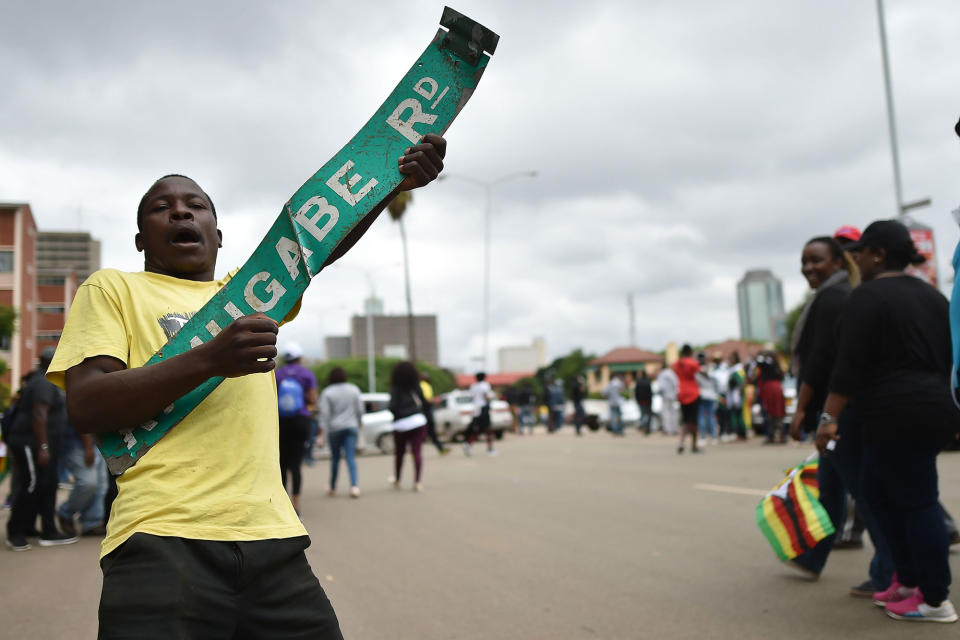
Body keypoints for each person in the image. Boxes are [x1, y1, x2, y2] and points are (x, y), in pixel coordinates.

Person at [45, 133, 447, 637]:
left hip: (275, 542)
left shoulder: (249, 293)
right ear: (140, 240)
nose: (180, 213)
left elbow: (315, 245)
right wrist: (210, 358)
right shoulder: (113, 288)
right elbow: (86, 404)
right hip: (158, 541)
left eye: (196, 206)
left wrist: (392, 187)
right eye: (160, 208)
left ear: (218, 234)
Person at [817, 219, 959, 623]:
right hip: (932, 407)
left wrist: (829, 418)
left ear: (878, 255)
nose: (856, 258)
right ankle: (908, 580)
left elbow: (848, 366)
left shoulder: (867, 297)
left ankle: (934, 599)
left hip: (898, 411)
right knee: (879, 493)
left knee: (916, 500)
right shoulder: (934, 297)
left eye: (861, 251)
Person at [785, 235, 892, 592]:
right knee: (831, 488)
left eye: (816, 260)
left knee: (866, 494)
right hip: (841, 409)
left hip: (839, 410)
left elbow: (820, 361)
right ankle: (812, 558)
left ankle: (890, 572)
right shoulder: (840, 294)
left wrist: (802, 408)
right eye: (804, 261)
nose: (808, 268)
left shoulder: (833, 298)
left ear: (836, 262)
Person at [5, 348, 77, 550]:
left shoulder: (48, 382)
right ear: (49, 361)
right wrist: (44, 447)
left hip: (44, 445)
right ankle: (15, 532)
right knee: (30, 485)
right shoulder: (43, 382)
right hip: (31, 444)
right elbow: (39, 414)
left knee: (48, 486)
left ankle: (47, 530)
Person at [275, 341, 318, 515]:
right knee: (296, 465)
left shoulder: (277, 375)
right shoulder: (307, 374)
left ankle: (282, 507)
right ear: (299, 357)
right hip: (301, 421)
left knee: (282, 465)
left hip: (281, 422)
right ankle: (296, 507)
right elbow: (313, 399)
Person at [57, 420, 109, 537]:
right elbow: (81, 419)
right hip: (79, 444)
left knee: (101, 486)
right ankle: (65, 512)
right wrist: (88, 447)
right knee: (87, 483)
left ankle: (91, 523)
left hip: (98, 443)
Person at [318, 367, 363, 498]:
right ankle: (354, 487)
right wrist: (359, 422)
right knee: (350, 457)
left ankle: (332, 487)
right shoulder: (354, 389)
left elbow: (324, 415)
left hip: (335, 428)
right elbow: (360, 409)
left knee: (335, 459)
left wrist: (321, 433)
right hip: (352, 426)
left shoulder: (327, 392)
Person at [389, 361, 428, 491]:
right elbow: (424, 403)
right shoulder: (416, 387)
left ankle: (398, 479)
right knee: (416, 452)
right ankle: (417, 482)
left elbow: (392, 406)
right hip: (418, 421)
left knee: (400, 453)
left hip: (400, 424)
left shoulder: (395, 388)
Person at [674, 345, 701, 453]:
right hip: (693, 393)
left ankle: (682, 442)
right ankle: (694, 445)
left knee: (685, 420)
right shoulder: (693, 362)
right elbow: (700, 374)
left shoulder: (677, 364)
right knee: (693, 421)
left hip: (681, 392)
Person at [755, 352, 786, 444]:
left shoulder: (765, 363)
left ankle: (772, 435)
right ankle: (780, 435)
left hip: (770, 388)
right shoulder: (778, 365)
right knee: (778, 412)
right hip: (778, 388)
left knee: (771, 413)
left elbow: (757, 363)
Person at [465, 372, 496, 455]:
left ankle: (468, 444)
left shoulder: (473, 386)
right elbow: (486, 396)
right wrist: (491, 398)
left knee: (477, 429)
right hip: (483, 409)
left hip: (476, 409)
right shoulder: (485, 385)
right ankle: (490, 449)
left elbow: (471, 397)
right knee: (488, 429)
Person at [420, 372, 447, 455]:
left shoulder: (419, 385)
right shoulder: (426, 386)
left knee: (426, 433)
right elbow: (428, 399)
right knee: (427, 433)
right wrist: (435, 401)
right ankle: (415, 451)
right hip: (426, 412)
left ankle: (441, 449)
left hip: (421, 412)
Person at [695, 353, 719, 444]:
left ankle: (703, 437)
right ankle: (713, 437)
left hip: (702, 395)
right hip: (711, 395)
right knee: (711, 416)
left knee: (701, 416)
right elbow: (716, 384)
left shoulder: (697, 371)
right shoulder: (711, 369)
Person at [726, 353, 747, 441]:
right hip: (733, 395)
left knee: (738, 415)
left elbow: (741, 382)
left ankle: (741, 433)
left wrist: (739, 393)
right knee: (736, 414)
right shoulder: (733, 370)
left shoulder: (737, 370)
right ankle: (739, 433)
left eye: (731, 359)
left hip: (736, 395)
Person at [656, 361, 679, 436]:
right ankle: (674, 429)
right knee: (673, 413)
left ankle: (667, 429)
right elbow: (676, 384)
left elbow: (661, 386)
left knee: (666, 413)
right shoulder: (672, 373)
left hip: (666, 396)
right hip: (673, 395)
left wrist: (658, 392)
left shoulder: (662, 374)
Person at [634, 370, 653, 435]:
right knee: (648, 415)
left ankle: (642, 426)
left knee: (643, 414)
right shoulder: (648, 382)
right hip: (647, 401)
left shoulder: (638, 382)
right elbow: (650, 393)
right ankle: (647, 427)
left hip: (641, 401)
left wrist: (637, 400)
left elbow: (636, 392)